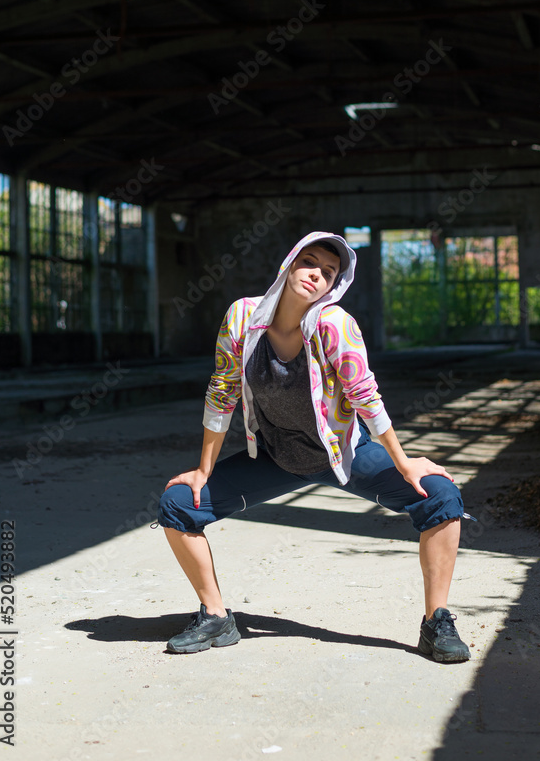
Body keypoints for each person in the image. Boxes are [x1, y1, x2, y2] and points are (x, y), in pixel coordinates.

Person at [158, 231, 471, 663]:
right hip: (275, 456)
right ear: (289, 263)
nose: (316, 275)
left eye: (328, 272)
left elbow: (365, 395)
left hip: (344, 452)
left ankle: (436, 622)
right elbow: (222, 392)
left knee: (440, 495)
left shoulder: (333, 325)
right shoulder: (242, 318)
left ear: (334, 286)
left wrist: (404, 463)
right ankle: (215, 617)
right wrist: (203, 470)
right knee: (178, 503)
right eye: (309, 262)